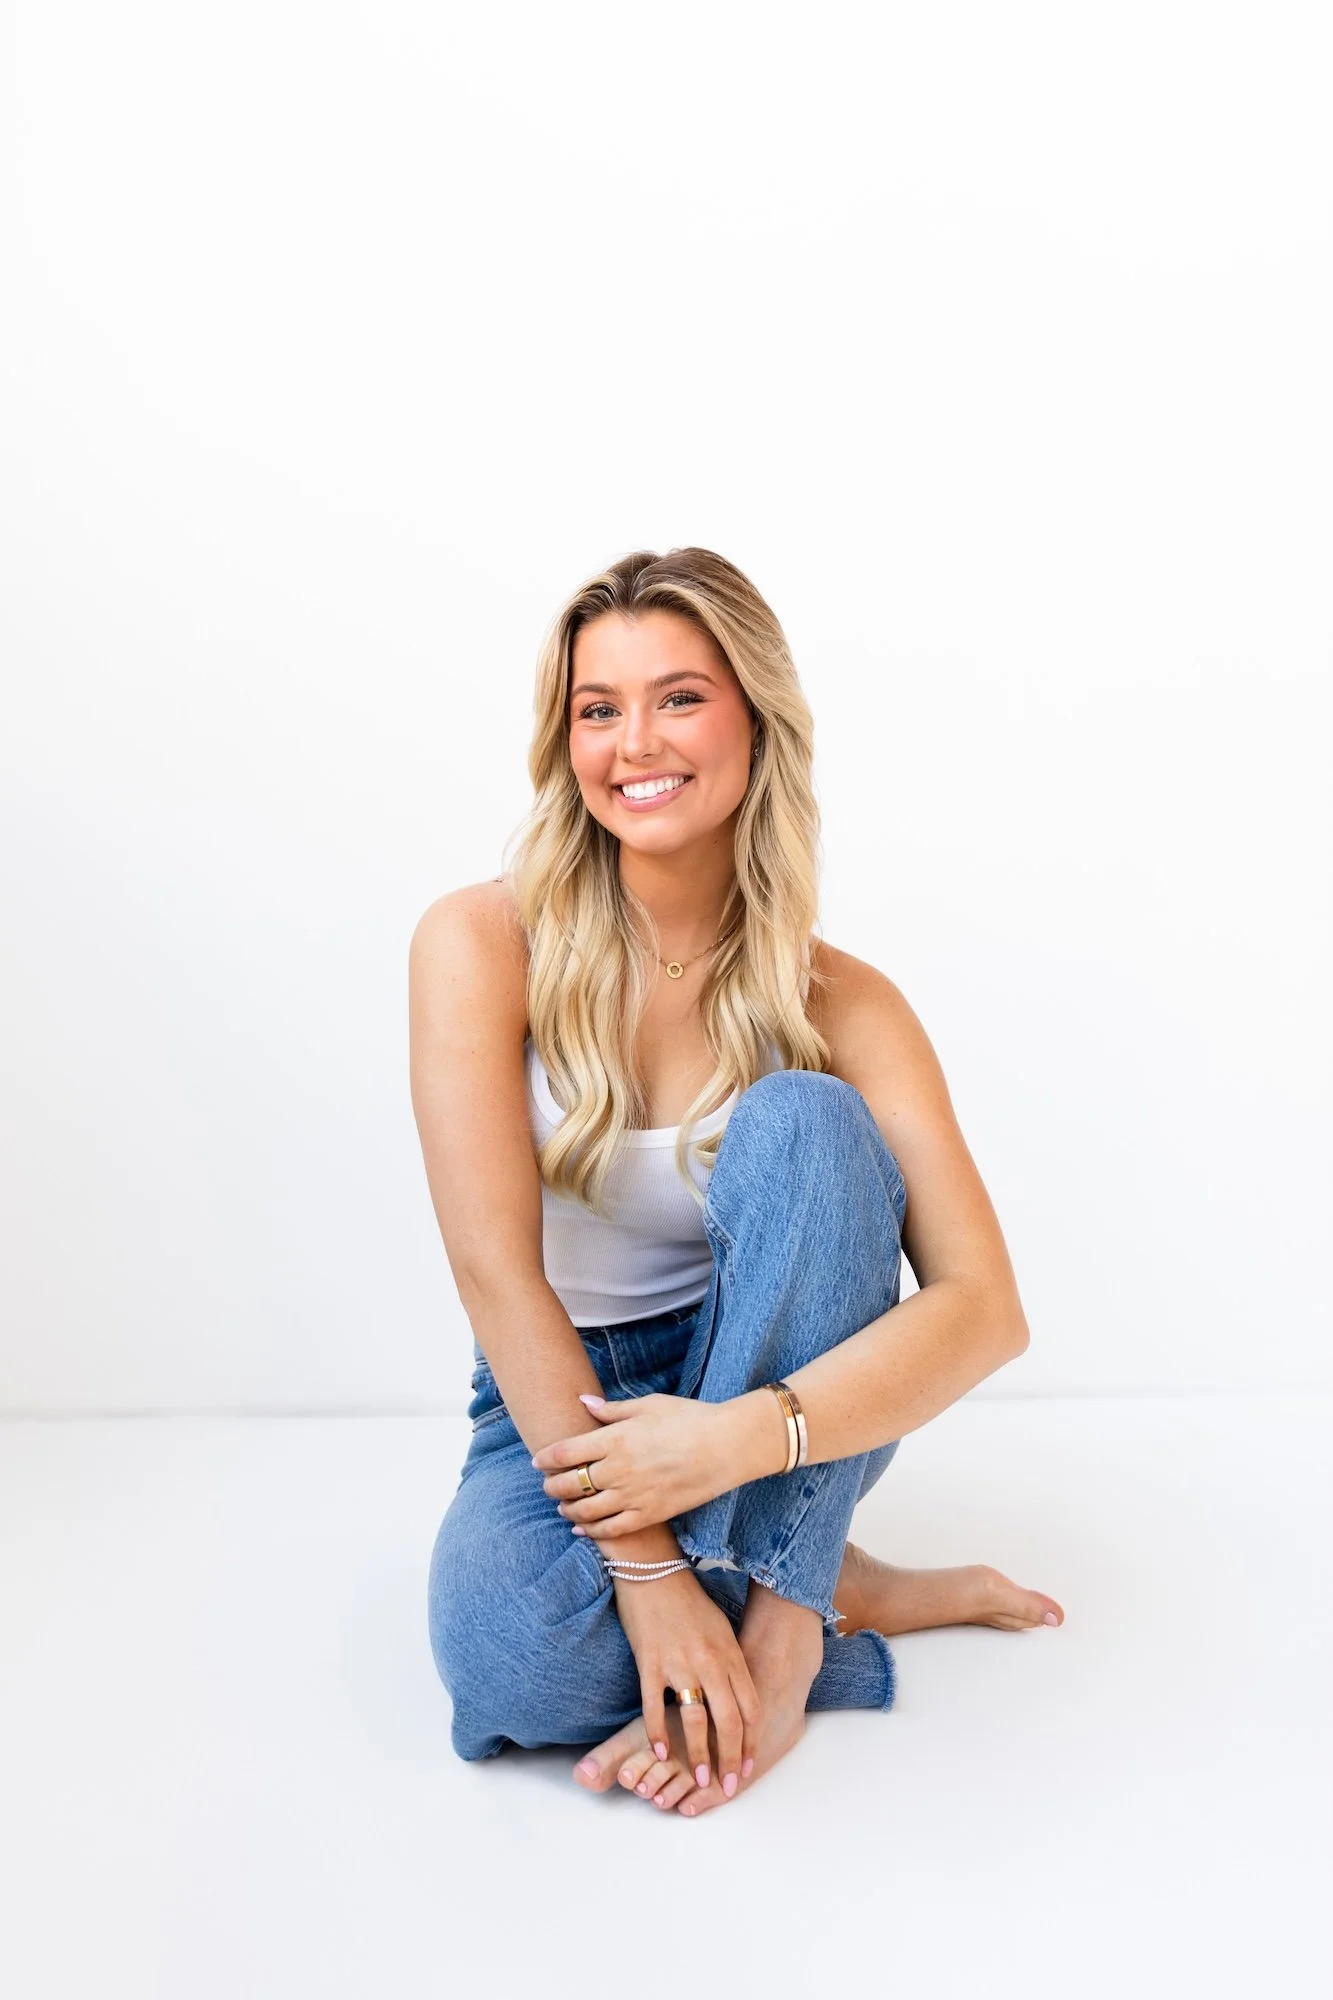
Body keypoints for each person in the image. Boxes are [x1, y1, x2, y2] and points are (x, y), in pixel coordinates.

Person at [409, 546, 1063, 1818]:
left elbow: (986, 1307)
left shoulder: (845, 999)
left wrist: (737, 1435)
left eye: (678, 697)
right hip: (564, 1391)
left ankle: (780, 1627)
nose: (633, 741)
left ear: (755, 720)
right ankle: (820, 1585)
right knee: (509, 1659)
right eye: (597, 707)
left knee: (810, 1123)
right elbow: (496, 1269)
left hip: (784, 1393)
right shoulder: (478, 941)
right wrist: (645, 1583)